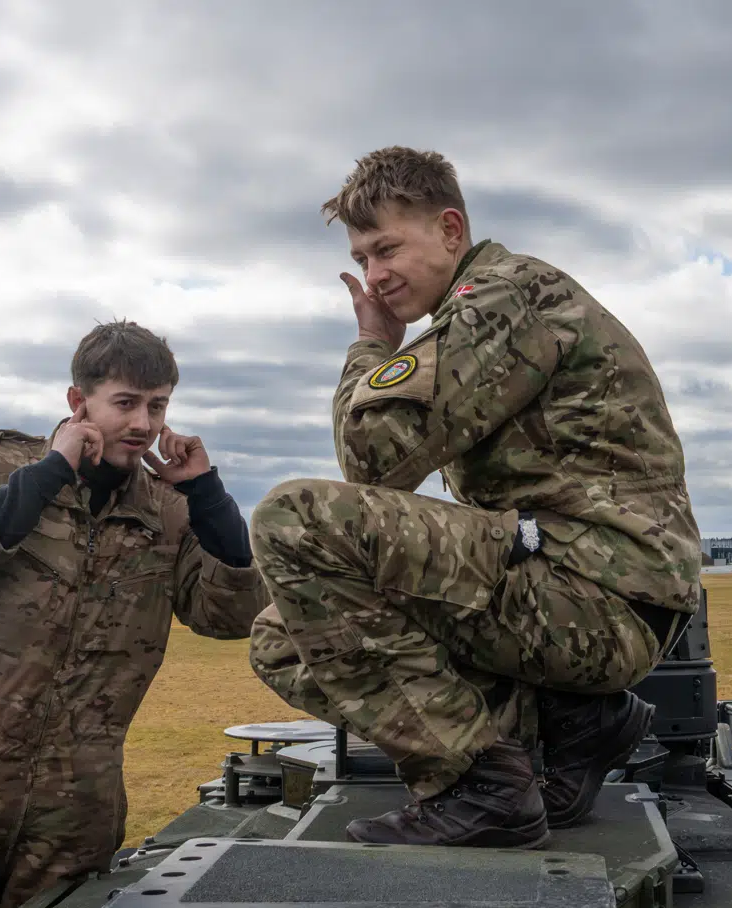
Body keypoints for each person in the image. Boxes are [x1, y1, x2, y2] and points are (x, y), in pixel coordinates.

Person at [248, 146, 701, 848]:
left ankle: (479, 783)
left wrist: (372, 344)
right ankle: (569, 724)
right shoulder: (479, 311)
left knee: (293, 521)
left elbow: (373, 461)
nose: (375, 275)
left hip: (596, 594)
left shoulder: (500, 297)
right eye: (363, 258)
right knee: (284, 637)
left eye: (387, 248)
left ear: (451, 230)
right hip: (575, 592)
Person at [0, 320, 267, 908]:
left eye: (158, 406)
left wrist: (208, 497)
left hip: (74, 811)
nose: (145, 424)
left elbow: (229, 614)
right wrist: (45, 475)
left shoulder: (166, 509)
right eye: (126, 403)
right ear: (77, 402)